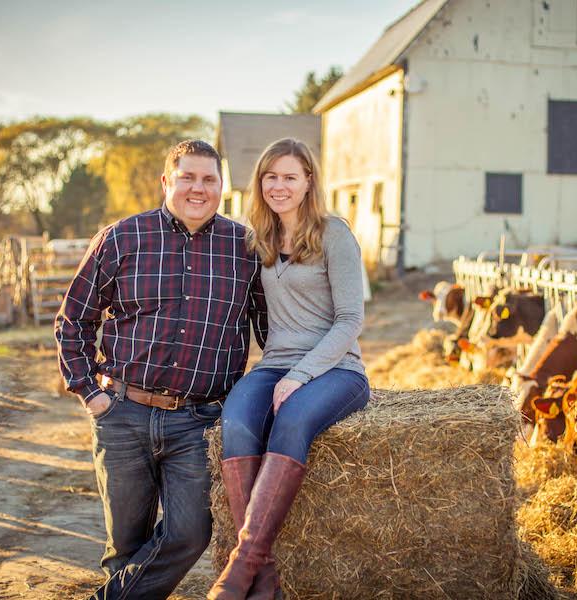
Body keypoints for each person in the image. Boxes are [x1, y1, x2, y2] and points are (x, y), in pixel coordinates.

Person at [55, 139, 267, 600]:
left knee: (189, 534)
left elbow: (272, 330)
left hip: (200, 421)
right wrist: (91, 393)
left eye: (209, 179)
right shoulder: (122, 238)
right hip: (123, 413)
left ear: (221, 186)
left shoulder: (247, 247)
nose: (198, 188)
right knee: (125, 547)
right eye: (187, 177)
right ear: (166, 181)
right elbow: (74, 320)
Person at [207, 138, 370, 600]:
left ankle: (241, 567)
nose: (278, 186)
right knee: (237, 421)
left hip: (337, 368)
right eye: (270, 176)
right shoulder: (257, 238)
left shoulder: (333, 233)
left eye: (289, 177)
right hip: (274, 362)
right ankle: (266, 583)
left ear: (308, 183)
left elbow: (350, 320)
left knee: (292, 418)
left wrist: (301, 375)